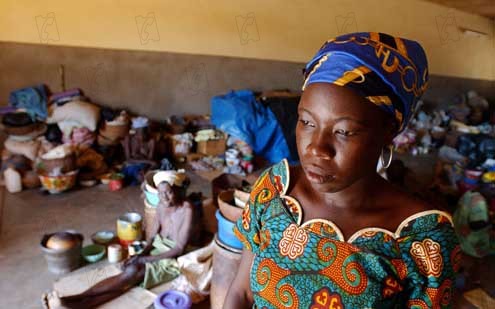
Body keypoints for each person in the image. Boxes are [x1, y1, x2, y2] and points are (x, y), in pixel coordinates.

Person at [224, 32, 460, 308]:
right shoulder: (275, 190)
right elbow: (242, 293)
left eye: (344, 131)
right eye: (307, 122)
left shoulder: (421, 240)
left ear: (389, 132)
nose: (316, 148)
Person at [60, 171, 193, 309]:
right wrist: (141, 254)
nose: (164, 197)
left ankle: (80, 298)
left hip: (173, 258)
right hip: (157, 249)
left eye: (169, 192)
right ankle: (82, 303)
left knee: (132, 272)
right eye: (160, 193)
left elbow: (179, 248)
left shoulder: (187, 209)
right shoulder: (160, 206)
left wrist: (144, 260)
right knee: (131, 273)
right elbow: (152, 236)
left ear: (177, 190)